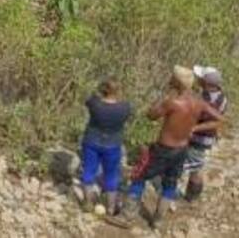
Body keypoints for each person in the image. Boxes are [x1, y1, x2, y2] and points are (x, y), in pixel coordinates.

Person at [122, 66, 223, 227]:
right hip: (181, 150)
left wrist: (161, 100)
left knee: (139, 176)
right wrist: (195, 128)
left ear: (176, 82)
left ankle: (127, 216)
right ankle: (158, 220)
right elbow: (219, 119)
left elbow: (151, 116)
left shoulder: (172, 102)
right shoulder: (199, 102)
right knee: (170, 183)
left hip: (162, 149)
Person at [77, 78, 131, 215]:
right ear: (118, 90)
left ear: (103, 89)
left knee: (88, 171)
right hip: (112, 144)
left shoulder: (95, 104)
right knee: (111, 175)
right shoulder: (124, 107)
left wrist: (98, 92)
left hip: (92, 141)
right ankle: (111, 208)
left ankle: (88, 203)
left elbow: (88, 99)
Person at [185, 65, 229, 202]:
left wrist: (193, 128)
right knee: (196, 168)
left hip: (201, 138)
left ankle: (191, 197)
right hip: (203, 138)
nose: (198, 79)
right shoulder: (218, 97)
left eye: (201, 78)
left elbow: (218, 121)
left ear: (207, 82)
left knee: (195, 168)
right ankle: (191, 197)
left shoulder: (212, 99)